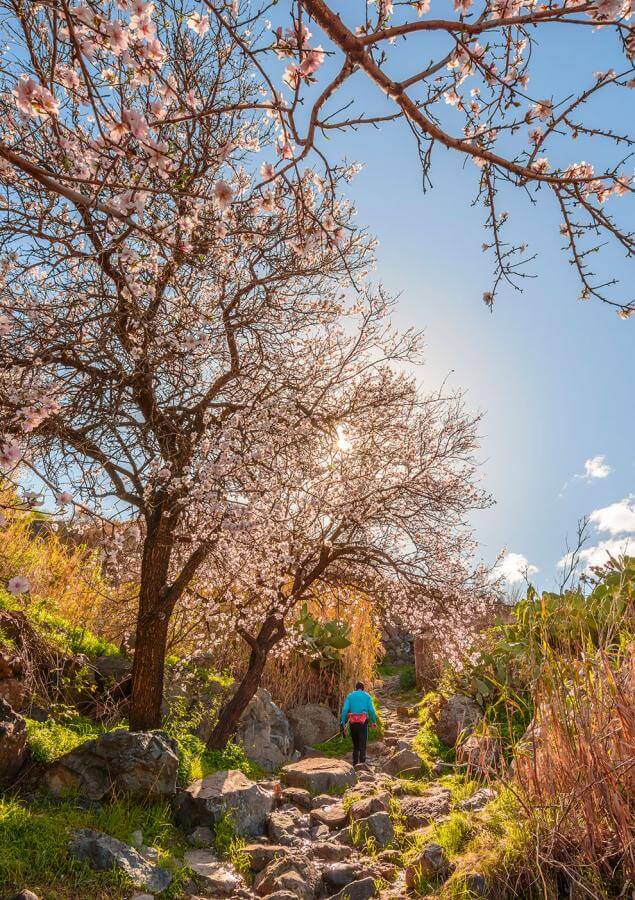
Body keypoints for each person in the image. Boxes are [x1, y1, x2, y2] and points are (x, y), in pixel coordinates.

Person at [340, 681, 378, 766]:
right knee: (363, 745)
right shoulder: (367, 696)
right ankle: (362, 765)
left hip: (353, 723)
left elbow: (345, 710)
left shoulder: (350, 696)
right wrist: (373, 722)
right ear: (363, 688)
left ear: (355, 688)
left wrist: (342, 721)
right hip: (363, 723)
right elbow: (371, 710)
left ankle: (354, 764)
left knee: (356, 745)